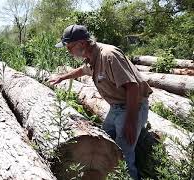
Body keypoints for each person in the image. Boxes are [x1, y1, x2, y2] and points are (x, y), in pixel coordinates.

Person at [49, 24, 153, 180]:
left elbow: (132, 86)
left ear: (82, 44)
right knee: (104, 142)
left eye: (69, 47)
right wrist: (62, 77)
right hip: (117, 108)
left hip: (133, 107)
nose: (68, 51)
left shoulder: (109, 56)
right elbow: (82, 70)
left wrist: (131, 121)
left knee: (122, 156)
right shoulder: (92, 57)